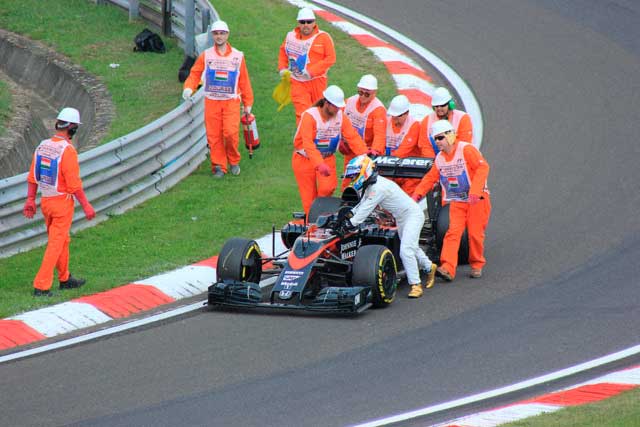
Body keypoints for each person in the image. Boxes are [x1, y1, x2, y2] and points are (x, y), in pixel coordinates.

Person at [23, 107, 96, 297]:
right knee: (56, 244)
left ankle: (65, 278)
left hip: (46, 201)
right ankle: (41, 286)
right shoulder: (68, 151)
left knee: (62, 240)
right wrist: (86, 205)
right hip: (62, 204)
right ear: (71, 128)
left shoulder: (43, 145)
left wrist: (31, 199)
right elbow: (74, 184)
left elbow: (33, 177)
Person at [343, 155, 436, 298]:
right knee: (412, 247)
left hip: (413, 216)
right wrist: (348, 215)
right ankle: (430, 267)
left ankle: (416, 285)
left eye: (354, 175)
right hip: (401, 217)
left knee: (405, 250)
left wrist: (350, 223)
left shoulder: (378, 188)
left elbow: (366, 209)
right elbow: (360, 205)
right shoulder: (369, 185)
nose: (352, 179)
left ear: (365, 172)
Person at [412, 120, 491, 281]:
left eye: (440, 138)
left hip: (477, 199)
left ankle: (476, 264)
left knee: (475, 234)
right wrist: (417, 195)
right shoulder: (440, 159)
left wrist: (475, 191)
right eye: (435, 139)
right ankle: (447, 267)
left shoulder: (466, 150)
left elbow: (483, 168)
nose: (438, 142)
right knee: (452, 233)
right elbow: (430, 178)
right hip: (457, 201)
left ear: (450, 136)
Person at [183, 20, 254, 178]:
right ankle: (219, 166)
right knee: (214, 135)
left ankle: (233, 160)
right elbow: (195, 73)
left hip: (231, 102)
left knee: (230, 133)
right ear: (212, 35)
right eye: (216, 33)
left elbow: (244, 81)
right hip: (212, 101)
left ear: (227, 35)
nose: (219, 36)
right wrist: (188, 88)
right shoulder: (206, 55)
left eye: (222, 33)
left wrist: (248, 103)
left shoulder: (238, 56)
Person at [292, 85, 367, 216]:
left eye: (339, 107)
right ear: (326, 103)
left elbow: (352, 136)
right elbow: (308, 144)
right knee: (308, 198)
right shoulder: (310, 116)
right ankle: (313, 224)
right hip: (304, 159)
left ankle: (322, 213)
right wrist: (319, 164)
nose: (338, 109)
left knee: (328, 188)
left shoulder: (340, 117)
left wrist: (365, 154)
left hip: (327, 158)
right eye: (336, 106)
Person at [278, 7, 336, 124]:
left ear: (314, 22)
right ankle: (303, 142)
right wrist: (282, 68)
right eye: (302, 22)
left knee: (320, 114)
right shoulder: (291, 36)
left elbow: (331, 58)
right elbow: (283, 51)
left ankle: (317, 140)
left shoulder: (323, 37)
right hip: (297, 82)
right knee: (303, 114)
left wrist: (311, 71)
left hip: (317, 81)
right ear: (298, 23)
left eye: (309, 22)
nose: (306, 25)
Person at [340, 74, 387, 190]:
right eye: (360, 92)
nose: (363, 97)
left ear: (374, 93)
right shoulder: (349, 102)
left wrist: (374, 153)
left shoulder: (378, 109)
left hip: (367, 153)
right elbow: (336, 118)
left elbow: (379, 135)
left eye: (367, 94)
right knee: (347, 183)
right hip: (351, 150)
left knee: (364, 185)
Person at [385, 95, 435, 195]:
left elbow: (403, 151)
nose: (394, 119)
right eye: (393, 115)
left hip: (410, 172)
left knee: (404, 199)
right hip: (390, 168)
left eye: (398, 116)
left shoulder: (414, 125)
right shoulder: (386, 122)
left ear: (406, 113)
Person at [419, 87, 473, 155]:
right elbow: (425, 146)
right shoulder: (426, 121)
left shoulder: (463, 118)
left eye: (442, 105)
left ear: (450, 104)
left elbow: (464, 144)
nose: (439, 108)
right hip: (436, 160)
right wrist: (435, 162)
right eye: (436, 106)